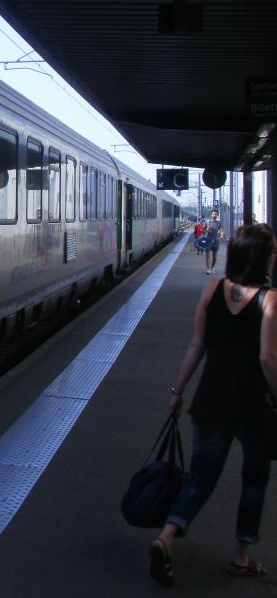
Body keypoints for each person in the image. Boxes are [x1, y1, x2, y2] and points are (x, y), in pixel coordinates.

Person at [149, 224, 277, 586]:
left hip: (210, 399)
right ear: (263, 256)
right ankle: (241, 556)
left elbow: (196, 346)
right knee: (254, 480)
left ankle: (165, 538)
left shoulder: (211, 290)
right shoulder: (270, 300)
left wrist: (178, 390)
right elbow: (268, 359)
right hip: (253, 406)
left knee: (201, 477)